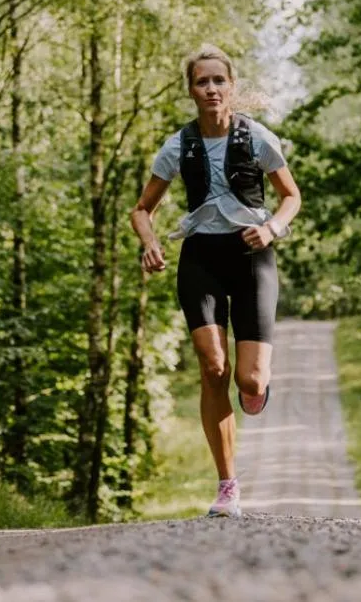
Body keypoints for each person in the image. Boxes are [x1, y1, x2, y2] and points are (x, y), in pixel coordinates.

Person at [130, 45, 302, 518]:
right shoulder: (178, 146)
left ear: (231, 86)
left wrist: (271, 228)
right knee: (213, 369)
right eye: (201, 81)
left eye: (218, 81)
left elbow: (291, 196)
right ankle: (228, 485)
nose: (210, 89)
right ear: (190, 90)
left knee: (248, 379)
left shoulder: (257, 137)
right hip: (201, 256)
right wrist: (149, 242)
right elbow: (142, 208)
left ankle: (257, 385)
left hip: (252, 256)